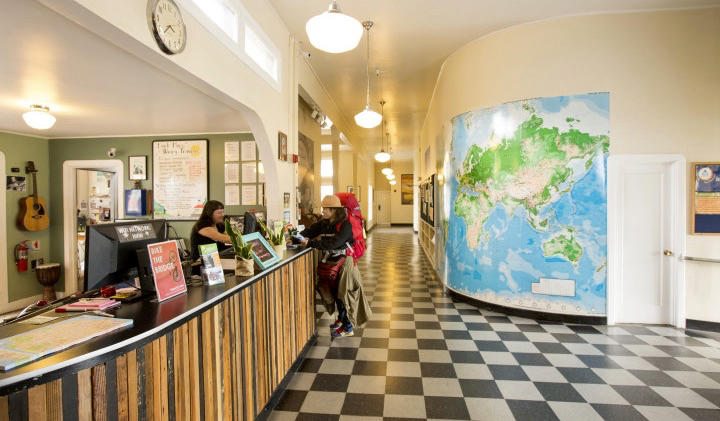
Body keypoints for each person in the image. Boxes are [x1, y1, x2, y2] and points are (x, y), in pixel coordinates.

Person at [300, 195, 371, 338]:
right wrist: (295, 236)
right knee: (335, 292)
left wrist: (311, 243)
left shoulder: (346, 225)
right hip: (333, 261)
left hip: (346, 262)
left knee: (344, 294)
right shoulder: (323, 223)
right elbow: (309, 232)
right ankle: (341, 320)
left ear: (334, 210)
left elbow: (334, 243)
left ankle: (348, 327)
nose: (323, 211)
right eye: (323, 208)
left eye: (325, 209)